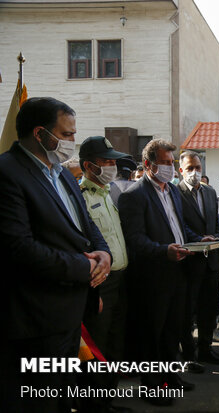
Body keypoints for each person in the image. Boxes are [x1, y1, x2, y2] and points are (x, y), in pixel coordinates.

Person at [0, 97, 111, 413]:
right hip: (34, 320)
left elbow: (85, 223)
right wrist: (84, 266)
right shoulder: (7, 173)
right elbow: (18, 248)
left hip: (71, 315)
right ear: (39, 134)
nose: (72, 142)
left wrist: (103, 253)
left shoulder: (61, 173)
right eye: (66, 135)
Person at [118, 139, 206, 406]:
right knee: (151, 335)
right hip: (152, 277)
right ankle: (152, 387)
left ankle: (171, 379)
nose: (171, 168)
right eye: (165, 163)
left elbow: (179, 228)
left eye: (171, 163)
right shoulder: (133, 196)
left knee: (173, 332)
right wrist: (162, 251)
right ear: (148, 165)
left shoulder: (173, 192)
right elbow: (134, 239)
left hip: (178, 272)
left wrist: (198, 239)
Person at [77, 135, 132, 413]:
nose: (113, 166)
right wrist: (92, 291)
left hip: (120, 281)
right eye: (106, 161)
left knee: (113, 344)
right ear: (89, 166)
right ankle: (92, 406)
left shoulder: (109, 192)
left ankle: (106, 401)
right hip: (99, 285)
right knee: (95, 350)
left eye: (114, 161)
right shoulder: (80, 197)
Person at [177, 151, 219, 369]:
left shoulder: (209, 191)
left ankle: (206, 348)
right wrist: (197, 239)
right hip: (188, 263)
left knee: (210, 309)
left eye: (197, 168)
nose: (194, 172)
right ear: (181, 170)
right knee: (187, 312)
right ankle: (188, 355)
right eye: (189, 168)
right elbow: (178, 224)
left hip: (211, 262)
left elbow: (215, 222)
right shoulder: (174, 193)